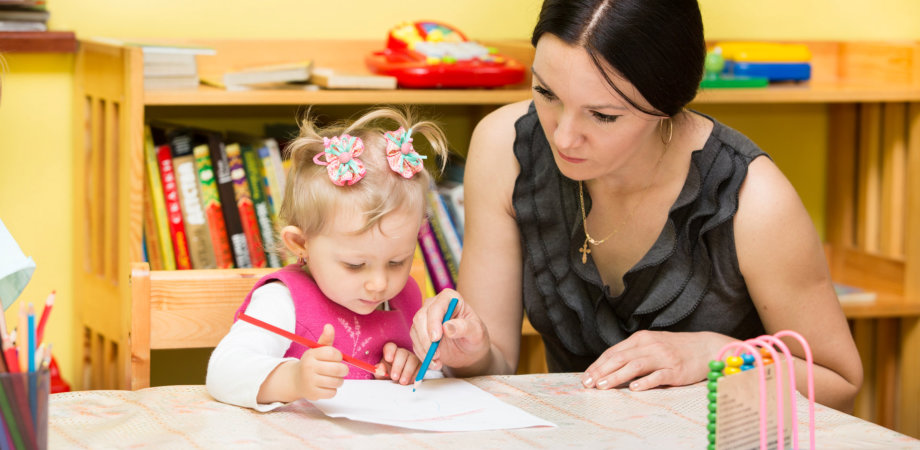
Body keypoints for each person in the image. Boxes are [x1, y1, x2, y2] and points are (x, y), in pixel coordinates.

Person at [410, 0, 863, 412]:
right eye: (546, 93)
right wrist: (468, 350)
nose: (563, 136)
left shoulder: (753, 198)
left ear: (667, 104)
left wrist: (716, 356)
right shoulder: (504, 148)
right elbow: (496, 364)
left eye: (603, 115)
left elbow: (839, 381)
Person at [207, 107, 448, 410]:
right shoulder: (283, 301)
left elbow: (439, 387)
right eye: (355, 265)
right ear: (300, 244)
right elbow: (223, 372)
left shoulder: (407, 298)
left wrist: (414, 369)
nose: (379, 283)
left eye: (397, 261)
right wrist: (293, 379)